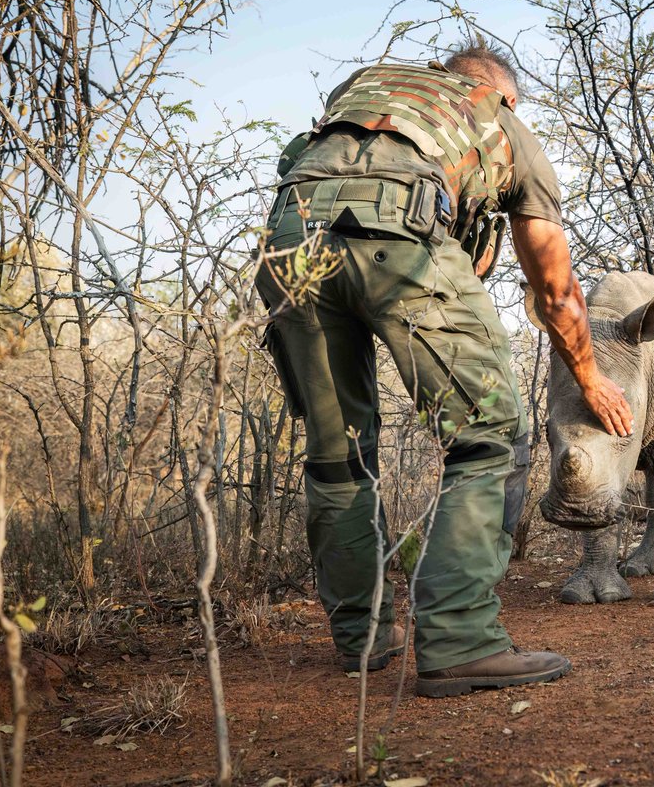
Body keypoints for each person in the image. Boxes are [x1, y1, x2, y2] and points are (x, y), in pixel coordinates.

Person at [255, 43, 633, 698]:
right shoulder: (502, 122)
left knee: (337, 452)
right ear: (504, 97)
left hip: (291, 235)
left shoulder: (366, 88)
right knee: (486, 435)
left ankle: (361, 639)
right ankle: (460, 641)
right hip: (396, 230)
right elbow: (555, 288)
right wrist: (592, 378)